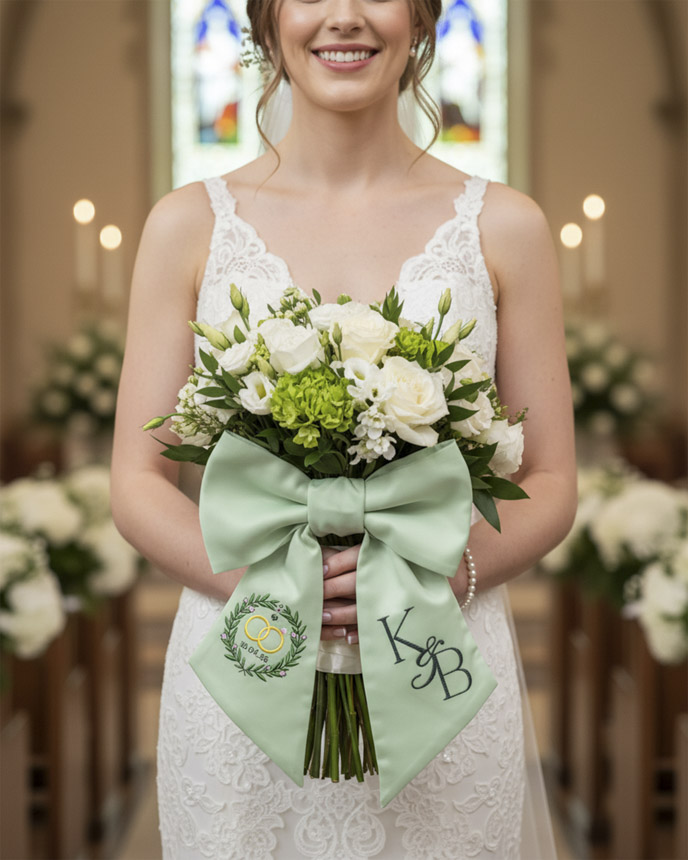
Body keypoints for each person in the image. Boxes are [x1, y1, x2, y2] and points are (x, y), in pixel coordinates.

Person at [111, 0, 577, 856]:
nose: (345, 17)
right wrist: (271, 583)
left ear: (424, 17)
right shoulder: (187, 224)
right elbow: (137, 482)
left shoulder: (507, 227)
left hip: (438, 656)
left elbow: (550, 481)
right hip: (243, 649)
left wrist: (444, 574)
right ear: (266, 20)